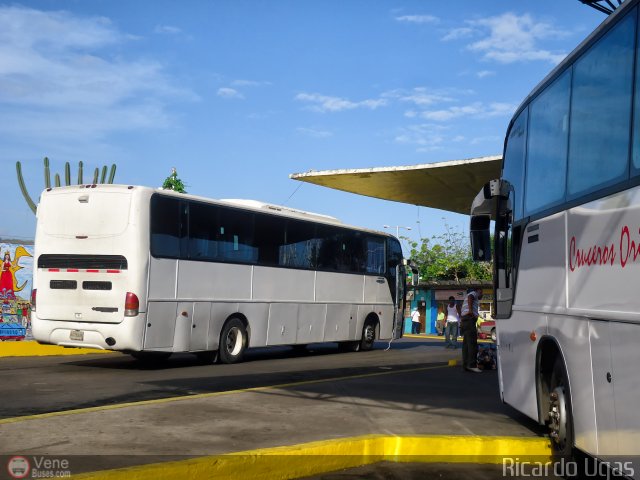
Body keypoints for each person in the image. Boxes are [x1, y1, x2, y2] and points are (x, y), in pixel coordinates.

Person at [460, 287, 483, 373]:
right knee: (472, 343)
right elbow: (471, 298)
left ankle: (466, 365)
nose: (482, 294)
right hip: (469, 319)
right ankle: (472, 365)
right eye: (481, 292)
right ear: (478, 290)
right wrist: (471, 311)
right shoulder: (474, 294)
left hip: (465, 319)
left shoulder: (469, 295)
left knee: (466, 344)